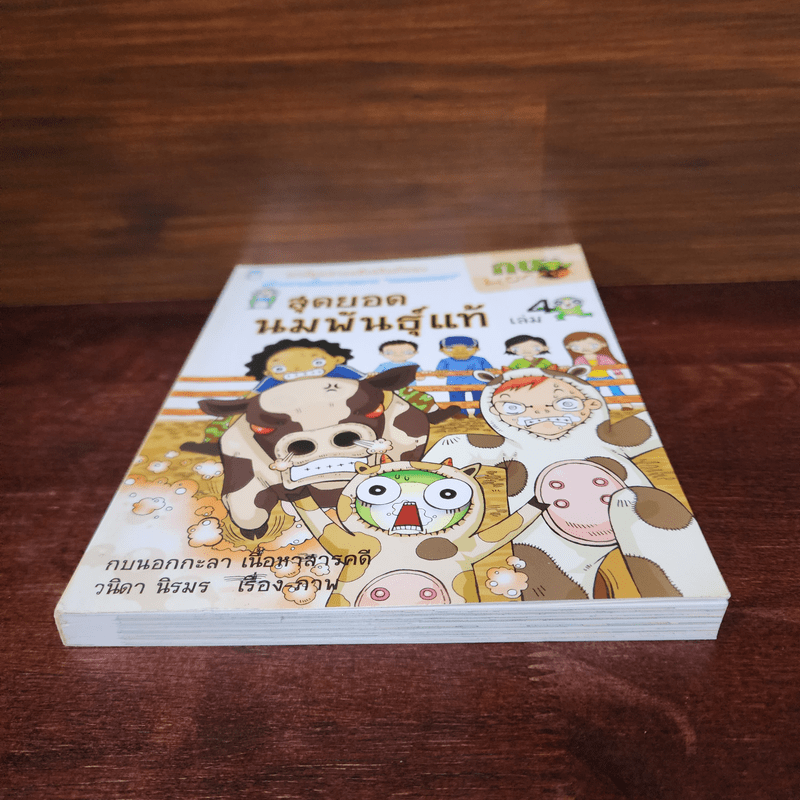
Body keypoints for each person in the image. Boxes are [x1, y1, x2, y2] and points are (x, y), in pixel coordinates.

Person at [246, 338, 362, 391]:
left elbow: (363, 381)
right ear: (267, 372)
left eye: (318, 362)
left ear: (337, 359)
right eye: (279, 369)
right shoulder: (272, 381)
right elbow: (255, 395)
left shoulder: (340, 371)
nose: (298, 369)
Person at [436, 336, 492, 413]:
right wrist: (441, 373)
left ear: (477, 349)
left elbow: (490, 371)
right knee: (457, 400)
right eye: (450, 348)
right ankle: (460, 413)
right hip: (455, 384)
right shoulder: (445, 361)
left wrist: (492, 371)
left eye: (468, 348)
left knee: (479, 399)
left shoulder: (480, 360)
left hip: (478, 384)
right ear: (442, 350)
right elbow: (439, 374)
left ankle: (480, 412)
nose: (460, 351)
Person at [563, 332, 625, 397]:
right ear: (568, 347)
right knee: (594, 393)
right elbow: (577, 369)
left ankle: (623, 401)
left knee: (616, 390)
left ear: (603, 344)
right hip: (591, 378)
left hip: (606, 377)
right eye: (576, 347)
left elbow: (613, 366)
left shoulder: (604, 358)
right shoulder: (579, 360)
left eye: (593, 345)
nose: (585, 349)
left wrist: (618, 374)